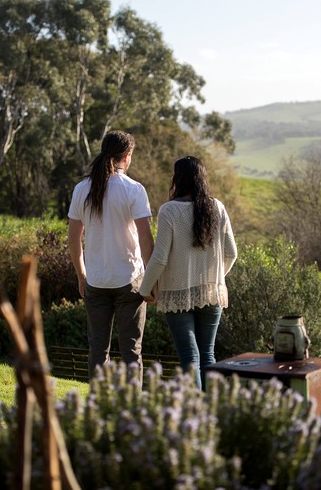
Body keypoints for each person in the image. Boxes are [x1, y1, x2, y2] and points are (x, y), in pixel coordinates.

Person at [138, 156, 238, 390]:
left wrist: (145, 289)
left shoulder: (169, 211)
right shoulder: (217, 207)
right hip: (212, 293)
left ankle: (194, 411)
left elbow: (160, 257)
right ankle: (210, 411)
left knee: (189, 357)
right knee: (207, 354)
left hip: (176, 293)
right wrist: (215, 278)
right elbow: (231, 252)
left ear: (177, 179)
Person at [68, 130, 153, 379]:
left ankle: (97, 409)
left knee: (97, 350)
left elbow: (73, 238)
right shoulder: (134, 189)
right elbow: (146, 240)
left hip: (95, 280)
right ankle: (131, 410)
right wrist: (152, 280)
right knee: (131, 352)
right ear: (126, 156)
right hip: (130, 281)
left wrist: (81, 275)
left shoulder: (81, 189)